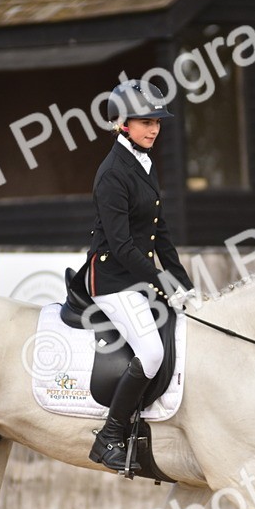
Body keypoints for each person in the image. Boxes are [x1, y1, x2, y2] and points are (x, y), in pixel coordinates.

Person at [85, 80, 196, 471]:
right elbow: (120, 246)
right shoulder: (113, 173)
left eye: (157, 122)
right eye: (144, 121)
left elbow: (159, 234)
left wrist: (185, 284)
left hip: (136, 275)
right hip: (112, 279)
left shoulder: (143, 164)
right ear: (121, 124)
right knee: (151, 352)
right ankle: (110, 435)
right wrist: (161, 282)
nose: (153, 129)